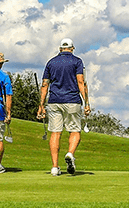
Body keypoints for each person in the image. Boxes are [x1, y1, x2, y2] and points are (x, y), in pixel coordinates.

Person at [37, 37, 90, 176]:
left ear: (60, 49)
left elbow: (44, 85)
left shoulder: (51, 62)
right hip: (72, 100)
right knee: (74, 131)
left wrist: (41, 105)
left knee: (55, 133)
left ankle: (55, 167)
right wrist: (87, 103)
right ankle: (70, 153)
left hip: (54, 101)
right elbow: (81, 82)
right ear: (72, 48)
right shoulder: (77, 61)